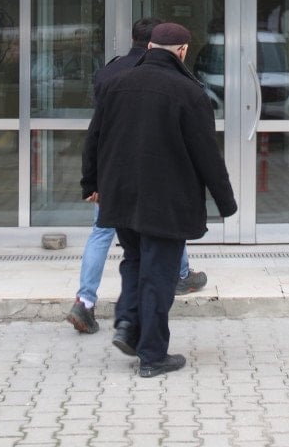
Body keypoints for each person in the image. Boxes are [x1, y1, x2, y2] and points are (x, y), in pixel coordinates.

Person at [81, 21, 236, 377]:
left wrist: (91, 183)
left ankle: (127, 324)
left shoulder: (116, 83)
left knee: (134, 262)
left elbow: (94, 139)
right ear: (183, 51)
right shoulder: (190, 93)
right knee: (159, 276)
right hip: (166, 202)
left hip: (121, 196)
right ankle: (152, 356)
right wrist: (225, 202)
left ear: (149, 47)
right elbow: (207, 155)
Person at [66, 17, 206, 337]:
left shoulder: (109, 71)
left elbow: (98, 130)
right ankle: (180, 275)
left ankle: (84, 302)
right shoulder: (165, 73)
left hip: (111, 172)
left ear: (133, 38)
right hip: (151, 171)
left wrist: (93, 179)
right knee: (167, 225)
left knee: (101, 232)